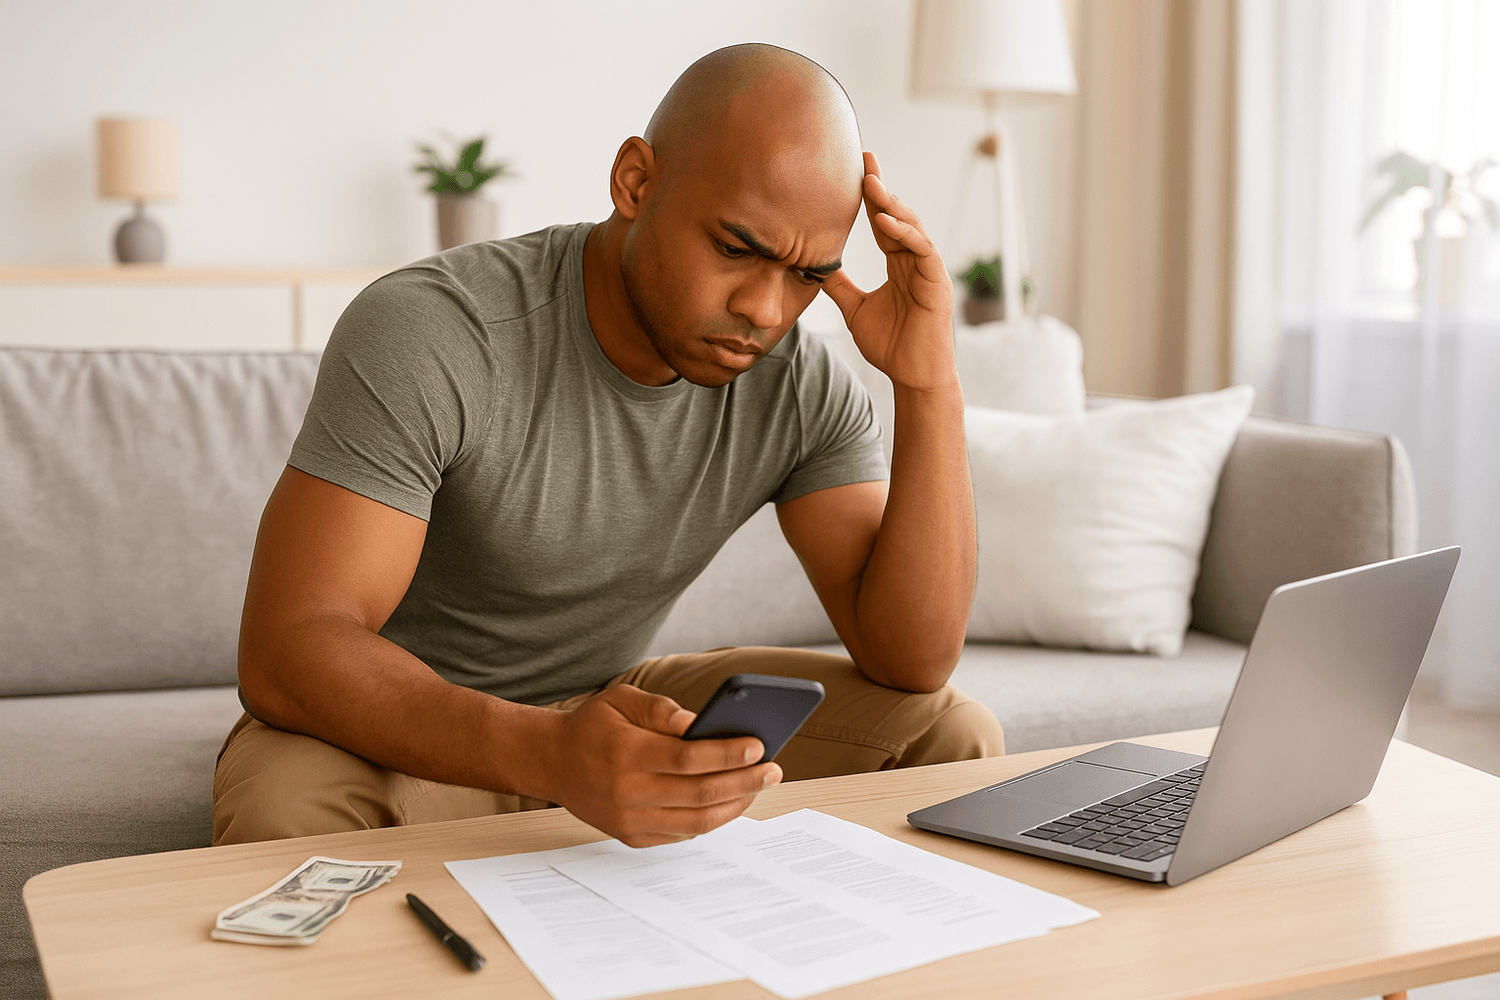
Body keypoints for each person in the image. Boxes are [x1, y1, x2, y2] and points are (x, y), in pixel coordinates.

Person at [213, 42, 1004, 849]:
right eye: (736, 248)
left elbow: (911, 659)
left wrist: (928, 383)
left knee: (945, 733)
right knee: (285, 822)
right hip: (395, 736)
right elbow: (289, 648)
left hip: (602, 706)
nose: (765, 311)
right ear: (636, 181)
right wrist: (553, 755)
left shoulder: (796, 383)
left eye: (807, 276)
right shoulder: (435, 332)